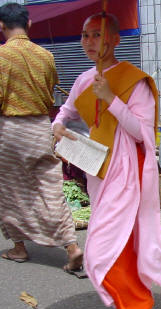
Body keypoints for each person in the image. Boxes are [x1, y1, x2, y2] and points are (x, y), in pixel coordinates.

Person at [52, 13, 161, 309]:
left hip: (126, 170)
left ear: (116, 40)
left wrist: (111, 97)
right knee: (117, 243)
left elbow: (142, 132)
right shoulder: (83, 78)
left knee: (102, 249)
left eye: (98, 34)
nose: (90, 41)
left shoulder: (135, 80)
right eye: (85, 35)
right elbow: (65, 112)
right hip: (97, 169)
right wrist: (59, 126)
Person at [0, 3, 83, 271]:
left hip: (10, 131)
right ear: (30, 25)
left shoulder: (1, 57)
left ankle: (19, 247)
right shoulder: (45, 56)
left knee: (11, 191)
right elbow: (51, 89)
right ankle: (71, 246)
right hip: (39, 127)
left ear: (1, 27)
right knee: (50, 188)